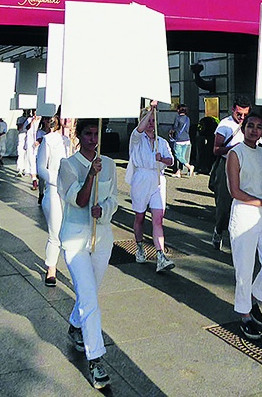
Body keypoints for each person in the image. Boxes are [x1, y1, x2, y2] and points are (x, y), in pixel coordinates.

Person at [58, 118, 117, 390]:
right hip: (74, 240)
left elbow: (113, 200)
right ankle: (96, 359)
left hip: (101, 238)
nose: (93, 138)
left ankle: (74, 325)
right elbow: (80, 201)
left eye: (97, 133)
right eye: (88, 133)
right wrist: (91, 175)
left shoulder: (111, 165)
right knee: (90, 298)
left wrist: (103, 210)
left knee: (89, 291)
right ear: (79, 136)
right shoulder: (67, 166)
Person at [226, 112, 262, 340]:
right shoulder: (235, 153)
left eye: (259, 127)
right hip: (243, 212)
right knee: (245, 268)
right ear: (243, 127)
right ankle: (245, 314)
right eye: (251, 126)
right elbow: (235, 191)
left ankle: (253, 298)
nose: (254, 130)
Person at [126, 101, 175, 273]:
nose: (151, 125)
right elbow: (139, 129)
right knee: (140, 217)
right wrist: (152, 109)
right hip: (141, 178)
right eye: (148, 121)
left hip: (158, 179)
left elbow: (171, 161)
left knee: (158, 218)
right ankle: (139, 246)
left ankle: (161, 255)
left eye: (154, 121)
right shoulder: (136, 139)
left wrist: (162, 159)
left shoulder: (161, 142)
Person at [37, 113, 72, 287]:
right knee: (56, 232)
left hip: (71, 192)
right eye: (66, 118)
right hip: (54, 191)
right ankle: (51, 269)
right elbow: (41, 168)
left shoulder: (71, 141)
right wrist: (57, 178)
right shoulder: (48, 140)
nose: (69, 122)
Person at [211, 96, 251, 249]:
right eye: (239, 114)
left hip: (246, 167)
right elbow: (216, 150)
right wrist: (235, 149)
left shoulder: (250, 125)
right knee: (224, 204)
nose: (242, 118)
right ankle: (219, 229)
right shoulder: (225, 125)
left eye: (245, 115)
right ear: (233, 109)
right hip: (226, 165)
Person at [170, 104, 194, 178]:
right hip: (187, 139)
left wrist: (171, 132)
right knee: (182, 156)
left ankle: (189, 167)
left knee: (177, 155)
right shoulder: (187, 119)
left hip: (179, 140)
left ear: (179, 110)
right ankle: (178, 172)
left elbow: (174, 128)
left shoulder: (177, 118)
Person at [25, 109, 41, 190]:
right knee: (31, 161)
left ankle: (40, 178)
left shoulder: (42, 120)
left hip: (39, 144)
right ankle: (34, 181)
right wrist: (32, 121)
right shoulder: (29, 120)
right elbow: (27, 128)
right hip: (31, 144)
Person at [16, 110, 29, 175]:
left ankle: (26, 169)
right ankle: (20, 168)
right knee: (21, 152)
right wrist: (25, 121)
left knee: (28, 153)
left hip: (29, 136)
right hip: (22, 135)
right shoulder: (20, 119)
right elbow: (19, 128)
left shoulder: (31, 119)